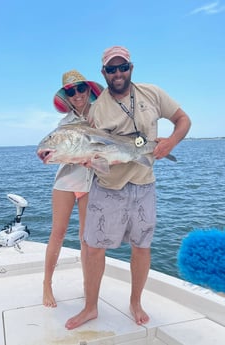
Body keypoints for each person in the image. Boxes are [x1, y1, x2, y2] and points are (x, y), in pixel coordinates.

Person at [65, 46, 192, 329]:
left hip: (144, 185)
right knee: (95, 247)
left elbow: (184, 120)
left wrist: (170, 142)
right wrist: (90, 161)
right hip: (108, 187)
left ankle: (135, 302)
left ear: (131, 68)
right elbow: (96, 156)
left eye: (123, 67)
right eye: (112, 69)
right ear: (104, 73)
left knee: (141, 246)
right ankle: (90, 307)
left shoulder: (152, 93)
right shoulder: (97, 111)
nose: (118, 73)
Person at [43, 70, 104, 307]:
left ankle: (87, 286)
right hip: (67, 181)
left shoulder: (102, 118)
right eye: (71, 91)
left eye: (80, 89)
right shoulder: (63, 124)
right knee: (57, 234)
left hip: (92, 181)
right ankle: (47, 285)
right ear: (67, 97)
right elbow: (56, 155)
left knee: (86, 239)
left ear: (88, 90)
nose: (77, 94)